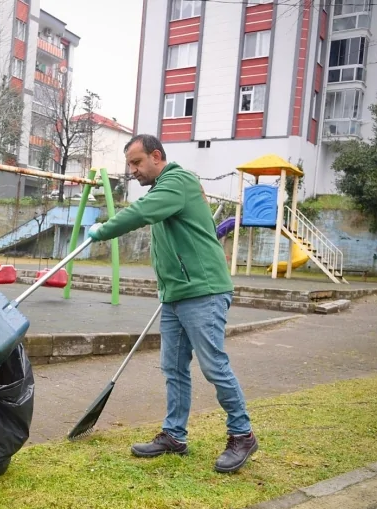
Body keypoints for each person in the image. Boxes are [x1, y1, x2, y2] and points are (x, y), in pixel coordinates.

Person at [87, 134, 257, 474]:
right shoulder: (163, 191)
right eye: (129, 165)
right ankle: (174, 436)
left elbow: (142, 212)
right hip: (176, 295)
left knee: (213, 366)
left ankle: (242, 434)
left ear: (156, 156)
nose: (132, 170)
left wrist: (103, 229)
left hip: (204, 293)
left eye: (136, 163)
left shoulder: (177, 181)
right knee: (173, 368)